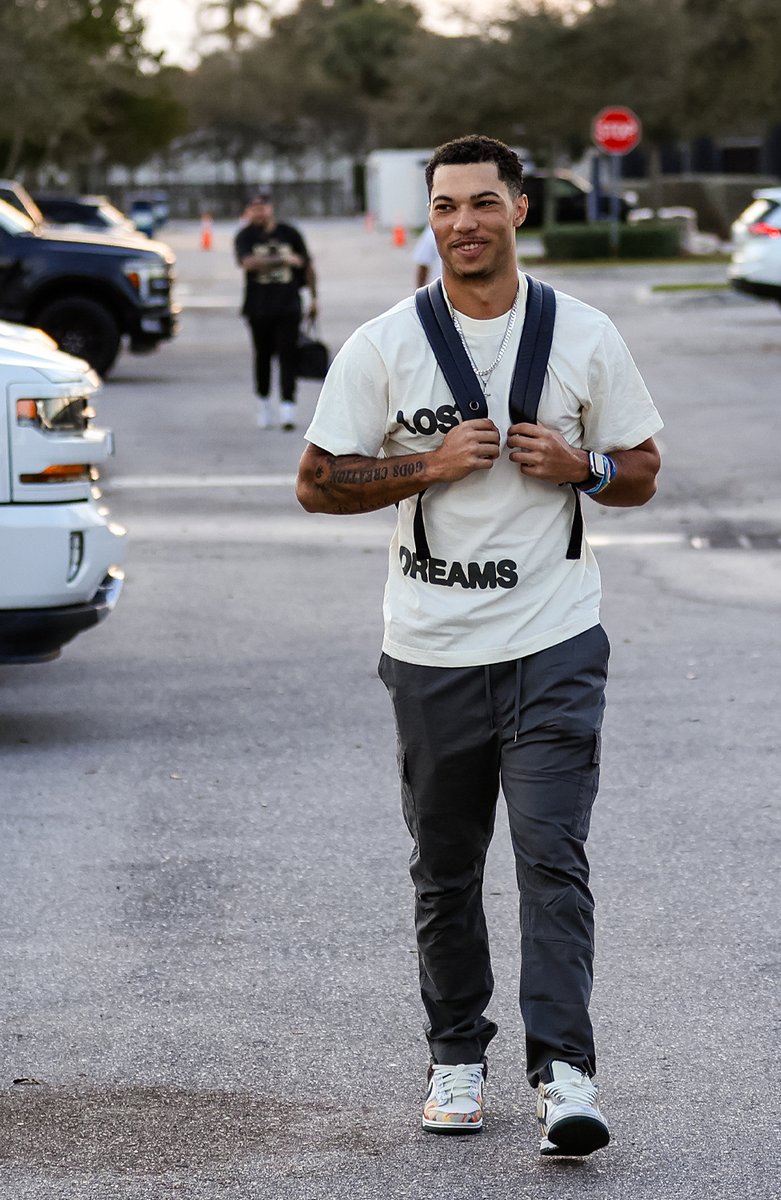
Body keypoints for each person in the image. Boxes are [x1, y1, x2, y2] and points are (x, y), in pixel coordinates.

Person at [295, 135, 662, 1156]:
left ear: (520, 209)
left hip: (554, 640)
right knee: (447, 869)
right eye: (446, 206)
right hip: (432, 649)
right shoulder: (384, 345)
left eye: (483, 202)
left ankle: (566, 1075)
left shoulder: (583, 333)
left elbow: (642, 469)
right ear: (432, 219)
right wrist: (425, 467)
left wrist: (584, 466)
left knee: (553, 860)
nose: (464, 223)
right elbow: (316, 483)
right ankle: (455, 1055)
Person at [235, 191, 317, 430]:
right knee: (262, 356)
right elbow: (248, 263)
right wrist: (284, 259)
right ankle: (263, 403)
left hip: (288, 305)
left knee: (288, 355)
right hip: (258, 307)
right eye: (253, 209)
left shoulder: (289, 233)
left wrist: (314, 298)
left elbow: (307, 265)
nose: (258, 213)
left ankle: (287, 407)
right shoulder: (245, 236)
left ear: (270, 208)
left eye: (261, 208)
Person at [412, 223, 442, 288]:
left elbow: (423, 264)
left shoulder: (431, 231)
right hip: (440, 288)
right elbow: (423, 263)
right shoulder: (432, 232)